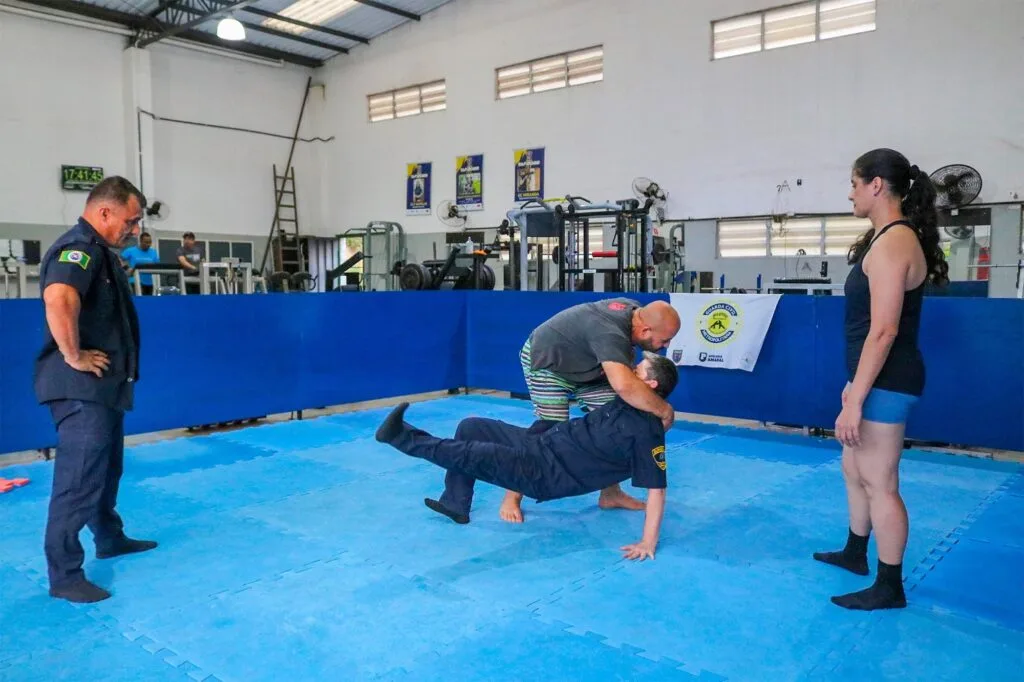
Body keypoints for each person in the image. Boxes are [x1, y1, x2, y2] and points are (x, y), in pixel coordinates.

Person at [376, 352, 679, 560]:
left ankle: (401, 437)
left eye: (637, 372)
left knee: (475, 454)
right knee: (471, 427)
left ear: (651, 385)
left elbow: (656, 489)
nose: (630, 375)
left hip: (545, 473)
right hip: (541, 444)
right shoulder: (625, 400)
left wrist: (647, 542)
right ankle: (456, 504)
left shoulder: (647, 432)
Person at [814, 148, 948, 611]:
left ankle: (890, 585)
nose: (850, 192)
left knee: (879, 479)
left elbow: (885, 329)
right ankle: (856, 552)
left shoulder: (893, 243)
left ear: (876, 185)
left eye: (854, 183)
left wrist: (856, 400)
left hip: (889, 380)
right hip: (872, 378)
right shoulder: (886, 238)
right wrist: (854, 385)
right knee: (853, 468)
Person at [34, 176, 158, 604]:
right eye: (130, 220)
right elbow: (59, 298)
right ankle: (65, 575)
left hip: (104, 388)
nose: (134, 229)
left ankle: (108, 536)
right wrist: (74, 356)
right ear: (105, 212)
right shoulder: (79, 249)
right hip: (80, 389)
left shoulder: (104, 253)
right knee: (78, 481)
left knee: (106, 470)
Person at [495, 297, 681, 523]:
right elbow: (623, 386)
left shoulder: (634, 313)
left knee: (614, 426)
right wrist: (665, 411)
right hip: (549, 363)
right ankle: (512, 494)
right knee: (549, 431)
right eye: (665, 340)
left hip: (589, 366)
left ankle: (610, 494)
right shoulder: (610, 331)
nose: (666, 346)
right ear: (645, 330)